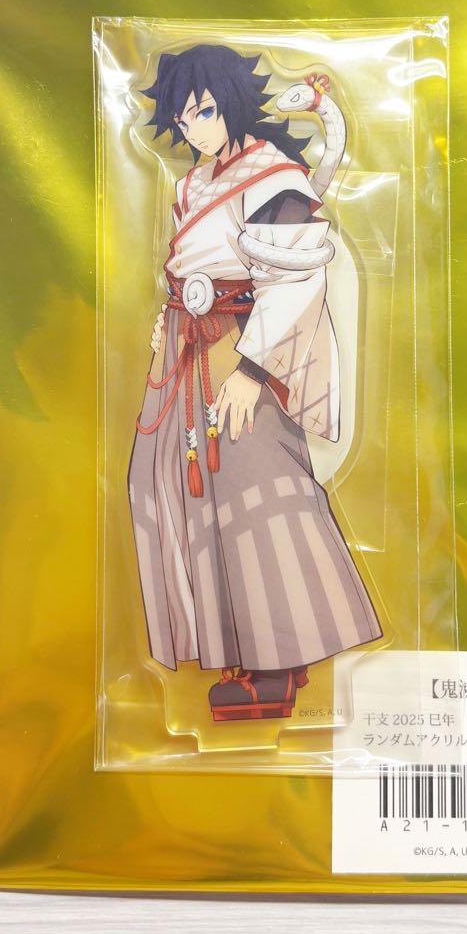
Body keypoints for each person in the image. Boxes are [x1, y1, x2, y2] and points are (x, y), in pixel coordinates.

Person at [128, 44, 382, 722]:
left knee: (254, 492)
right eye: (185, 118)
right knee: (180, 487)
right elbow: (183, 269)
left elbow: (296, 281)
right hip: (187, 346)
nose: (196, 128)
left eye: (206, 111)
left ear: (234, 104)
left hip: (240, 348)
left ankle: (280, 663)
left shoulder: (275, 177)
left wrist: (251, 369)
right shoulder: (193, 184)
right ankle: (238, 653)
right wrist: (165, 323)